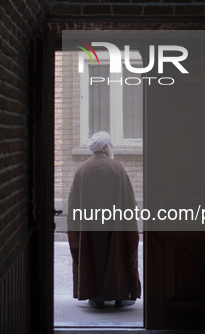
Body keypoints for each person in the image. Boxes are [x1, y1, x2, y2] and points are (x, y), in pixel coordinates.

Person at [67, 131, 141, 309]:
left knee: (93, 256)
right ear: (106, 147)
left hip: (90, 226)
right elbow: (128, 201)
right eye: (111, 144)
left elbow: (73, 204)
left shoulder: (81, 170)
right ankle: (119, 294)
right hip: (114, 224)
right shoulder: (117, 168)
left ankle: (95, 295)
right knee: (116, 254)